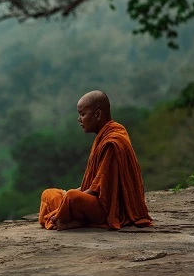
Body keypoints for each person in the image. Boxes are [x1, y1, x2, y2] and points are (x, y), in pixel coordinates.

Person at [38, 90, 153, 230]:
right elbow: (93, 185)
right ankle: (72, 218)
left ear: (97, 114)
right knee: (49, 194)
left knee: (71, 197)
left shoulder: (113, 141)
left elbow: (96, 191)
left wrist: (66, 201)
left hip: (107, 209)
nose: (79, 119)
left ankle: (70, 219)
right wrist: (66, 198)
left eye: (82, 114)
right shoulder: (105, 135)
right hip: (92, 200)